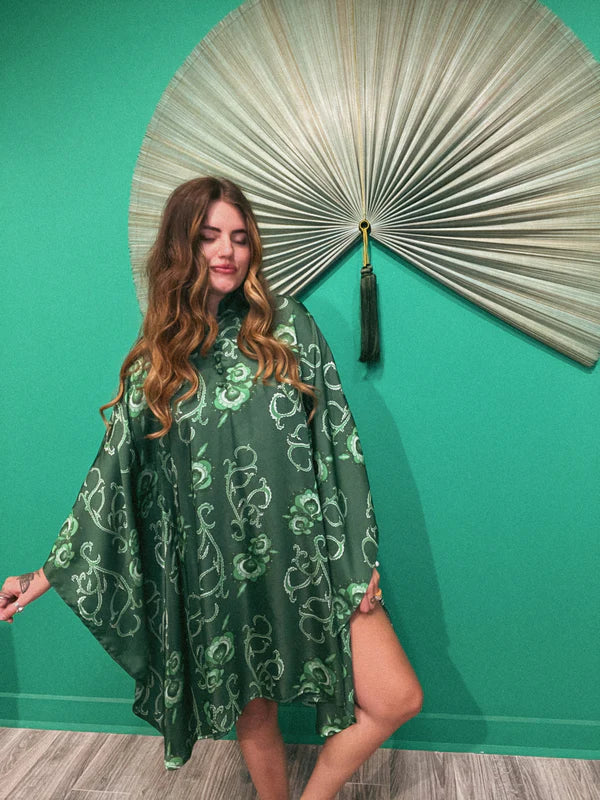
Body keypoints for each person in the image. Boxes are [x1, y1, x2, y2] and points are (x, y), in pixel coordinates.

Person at [0, 177, 422, 800]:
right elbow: (111, 479)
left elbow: (338, 443)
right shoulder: (158, 364)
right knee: (255, 712)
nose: (227, 251)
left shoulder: (291, 327)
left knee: (396, 698)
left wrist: (360, 557)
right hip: (219, 573)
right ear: (181, 247)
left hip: (313, 559)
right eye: (209, 237)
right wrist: (43, 576)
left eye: (240, 237)